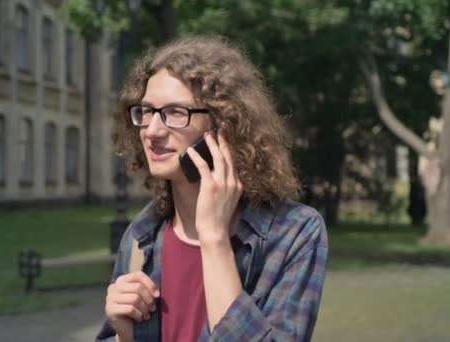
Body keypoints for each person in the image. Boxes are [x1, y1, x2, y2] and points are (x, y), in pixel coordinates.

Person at [96, 35, 328, 342]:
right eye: (147, 111)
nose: (151, 130)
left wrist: (215, 239)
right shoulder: (141, 235)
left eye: (175, 112)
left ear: (223, 124)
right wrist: (125, 336)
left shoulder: (294, 232)